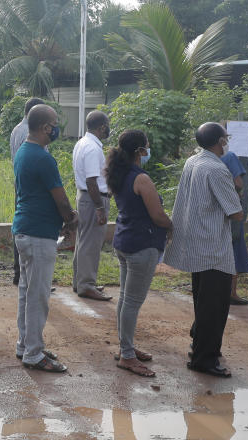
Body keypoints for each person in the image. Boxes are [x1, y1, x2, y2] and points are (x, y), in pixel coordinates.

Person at [164, 123, 243, 378]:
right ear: (220, 141)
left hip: (196, 244)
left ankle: (199, 346)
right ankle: (204, 359)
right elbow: (236, 212)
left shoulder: (193, 161)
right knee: (214, 306)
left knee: (203, 301)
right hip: (212, 248)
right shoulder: (217, 169)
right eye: (225, 140)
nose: (226, 143)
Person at [13, 104, 77, 373]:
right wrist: (71, 218)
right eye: (53, 123)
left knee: (27, 292)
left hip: (25, 229)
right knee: (38, 296)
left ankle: (25, 344)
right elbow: (60, 198)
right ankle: (34, 354)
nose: (56, 128)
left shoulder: (23, 152)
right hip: (39, 234)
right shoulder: (42, 157)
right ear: (43, 127)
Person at [106, 130, 173, 377]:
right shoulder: (141, 179)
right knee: (132, 301)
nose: (148, 151)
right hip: (141, 245)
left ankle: (127, 347)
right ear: (140, 152)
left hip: (124, 241)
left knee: (125, 298)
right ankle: (127, 354)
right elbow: (157, 215)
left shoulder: (119, 172)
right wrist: (172, 225)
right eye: (146, 147)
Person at [72, 110, 112, 301]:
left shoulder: (82, 143)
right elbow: (91, 181)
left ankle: (80, 282)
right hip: (92, 198)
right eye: (107, 124)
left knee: (83, 240)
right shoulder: (92, 148)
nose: (108, 128)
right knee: (91, 243)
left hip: (86, 198)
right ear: (101, 126)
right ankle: (86, 284)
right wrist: (100, 208)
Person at [9, 97, 44, 285]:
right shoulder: (31, 133)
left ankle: (20, 273)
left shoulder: (17, 129)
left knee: (21, 226)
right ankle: (27, 275)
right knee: (30, 228)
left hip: (20, 183)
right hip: (31, 186)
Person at [220, 150, 248, 305]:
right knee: (234, 251)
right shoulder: (230, 156)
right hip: (231, 212)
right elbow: (239, 183)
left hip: (214, 214)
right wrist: (237, 198)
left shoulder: (201, 158)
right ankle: (231, 293)